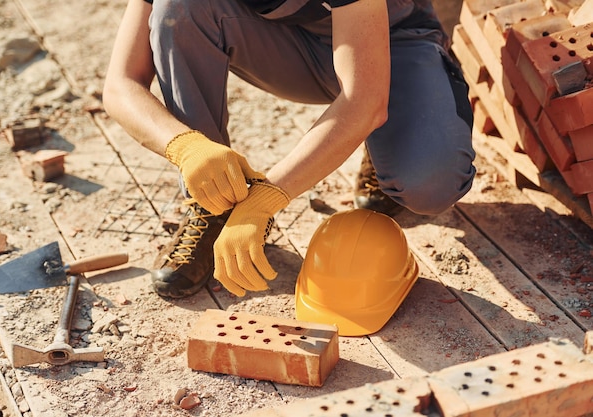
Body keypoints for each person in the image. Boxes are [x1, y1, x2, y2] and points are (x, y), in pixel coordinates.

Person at [103, 0, 476, 299]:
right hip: (291, 47)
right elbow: (120, 86)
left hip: (391, 47)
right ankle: (212, 203)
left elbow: (363, 100)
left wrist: (267, 197)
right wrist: (187, 148)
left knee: (431, 183)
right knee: (178, 10)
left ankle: (395, 127)